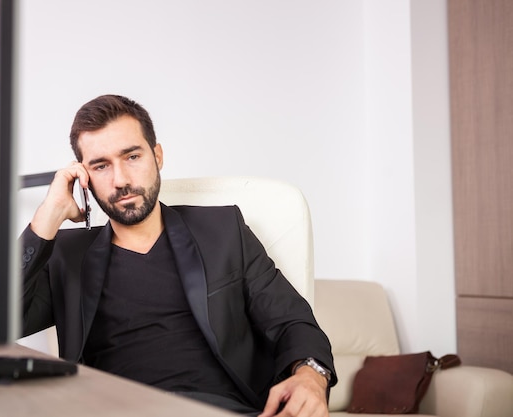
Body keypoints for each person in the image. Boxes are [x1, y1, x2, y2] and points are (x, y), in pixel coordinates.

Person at [20, 94, 337, 417]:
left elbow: (291, 321)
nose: (121, 181)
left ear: (157, 156)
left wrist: (311, 375)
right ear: (84, 178)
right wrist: (49, 215)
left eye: (132, 157)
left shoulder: (224, 231)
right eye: (101, 166)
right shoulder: (67, 256)